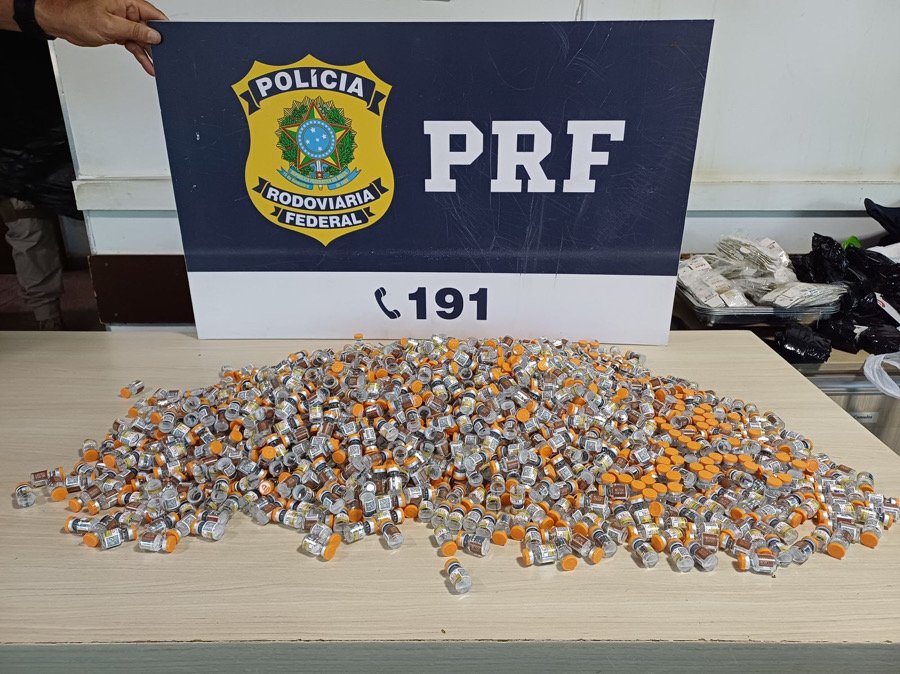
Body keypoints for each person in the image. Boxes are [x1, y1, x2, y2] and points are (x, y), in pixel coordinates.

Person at [1, 0, 164, 329]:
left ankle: (134, 315)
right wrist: (52, 14)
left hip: (67, 104)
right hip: (12, 129)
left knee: (110, 207)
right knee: (26, 223)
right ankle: (47, 320)